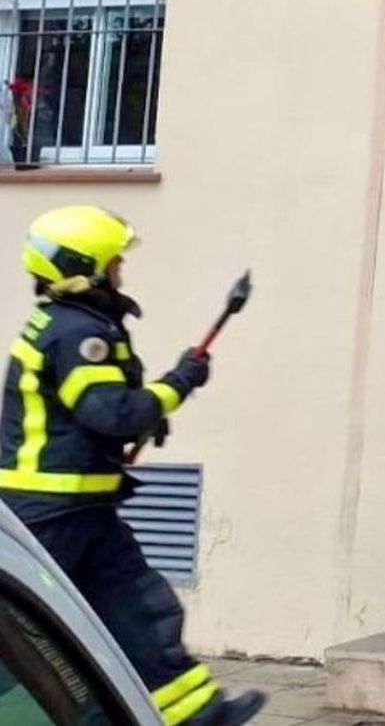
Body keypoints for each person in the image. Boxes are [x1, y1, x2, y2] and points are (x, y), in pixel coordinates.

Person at [0, 205, 265, 725]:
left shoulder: (74, 323)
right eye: (114, 261)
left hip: (82, 509)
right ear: (85, 265)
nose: (121, 270)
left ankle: (199, 716)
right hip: (50, 512)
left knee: (142, 612)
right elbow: (112, 413)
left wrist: (148, 412)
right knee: (23, 636)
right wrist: (179, 382)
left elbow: (98, 414)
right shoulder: (78, 333)